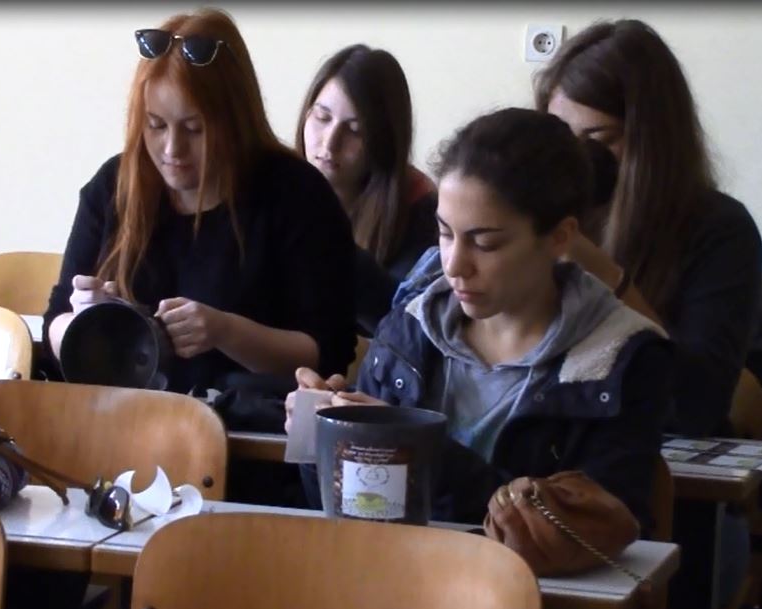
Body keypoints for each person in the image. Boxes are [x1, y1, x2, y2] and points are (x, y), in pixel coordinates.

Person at [288, 108, 670, 534]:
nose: (454, 265)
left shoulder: (618, 362)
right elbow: (354, 515)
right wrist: (324, 437)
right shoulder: (410, 330)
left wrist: (418, 448)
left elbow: (594, 534)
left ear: (560, 237)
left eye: (485, 243)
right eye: (444, 233)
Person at [536, 20, 760, 607]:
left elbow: (696, 401)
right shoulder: (530, 222)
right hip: (541, 479)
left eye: (598, 140)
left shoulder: (720, 230)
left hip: (665, 506)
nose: (578, 164)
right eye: (560, 140)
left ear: (651, 140)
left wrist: (599, 270)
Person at [43, 9, 359, 397]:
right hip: (127, 420)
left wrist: (226, 331)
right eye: (156, 125)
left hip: (249, 427)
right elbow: (54, 323)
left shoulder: (297, 196)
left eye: (194, 129)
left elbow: (328, 352)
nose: (172, 149)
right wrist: (85, 322)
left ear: (234, 120)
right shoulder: (114, 186)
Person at [295, 44, 436, 298]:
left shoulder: (420, 211)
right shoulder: (278, 182)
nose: (330, 143)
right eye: (322, 118)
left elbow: (399, 312)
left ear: (385, 141)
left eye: (354, 130)